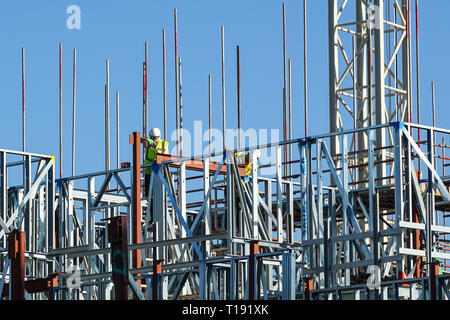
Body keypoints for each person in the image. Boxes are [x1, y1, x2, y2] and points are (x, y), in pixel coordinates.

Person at [142, 127, 169, 198]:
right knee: (149, 194)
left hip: (160, 171)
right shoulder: (147, 141)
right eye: (152, 137)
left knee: (160, 193)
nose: (154, 139)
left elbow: (167, 158)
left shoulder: (164, 144)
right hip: (149, 171)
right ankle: (150, 208)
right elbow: (139, 140)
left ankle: (159, 204)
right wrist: (147, 140)